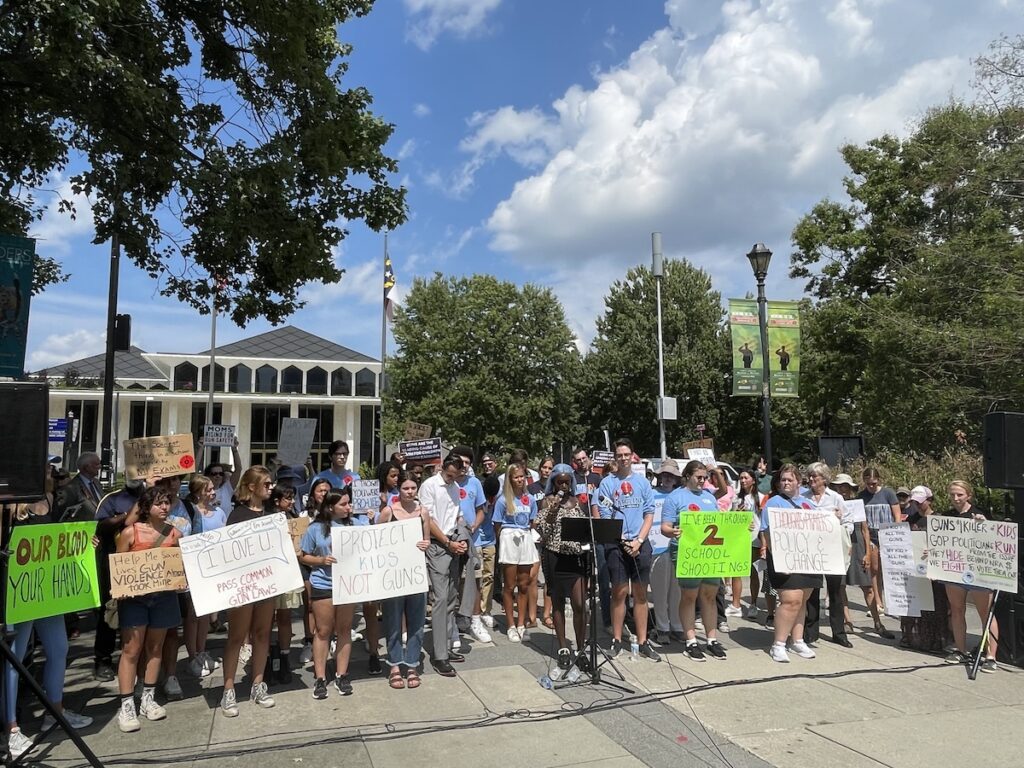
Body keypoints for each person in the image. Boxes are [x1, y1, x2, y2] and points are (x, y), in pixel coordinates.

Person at [5, 477, 93, 758]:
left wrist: (82, 539)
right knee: (14, 659)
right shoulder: (9, 506)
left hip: (48, 592)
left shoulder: (50, 499)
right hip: (20, 593)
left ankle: (54, 711)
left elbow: (59, 540)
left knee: (59, 649)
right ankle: (11, 729)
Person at [115, 486, 182, 732]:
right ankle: (126, 704)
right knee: (131, 649)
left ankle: (148, 698)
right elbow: (118, 567)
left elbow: (182, 564)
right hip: (135, 600)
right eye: (158, 503)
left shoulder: (175, 534)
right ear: (146, 507)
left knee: (156, 648)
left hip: (164, 597)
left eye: (167, 503)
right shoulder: (130, 533)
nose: (164, 508)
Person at [220, 466, 277, 717]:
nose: (271, 487)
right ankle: (229, 689)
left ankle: (257, 684)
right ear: (251, 487)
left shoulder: (273, 513)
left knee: (263, 634)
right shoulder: (237, 515)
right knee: (237, 636)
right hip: (243, 586)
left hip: (267, 583)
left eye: (271, 483)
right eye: (266, 484)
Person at [596, 439, 659, 661]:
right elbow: (604, 514)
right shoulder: (607, 483)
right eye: (619, 455)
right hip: (617, 544)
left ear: (632, 456)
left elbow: (649, 513)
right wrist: (622, 540)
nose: (623, 458)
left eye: (626, 454)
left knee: (640, 594)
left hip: (640, 544)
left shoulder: (642, 483)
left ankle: (643, 641)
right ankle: (616, 639)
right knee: (619, 593)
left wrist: (639, 540)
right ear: (615, 457)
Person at [662, 460, 726, 661]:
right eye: (699, 477)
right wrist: (673, 531)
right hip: (686, 552)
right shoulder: (675, 498)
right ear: (687, 476)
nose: (702, 481)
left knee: (709, 595)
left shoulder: (708, 497)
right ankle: (690, 640)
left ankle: (711, 639)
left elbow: (720, 525)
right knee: (689, 596)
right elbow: (665, 527)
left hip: (709, 554)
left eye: (705, 478)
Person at [299, 488, 359, 699]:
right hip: (323, 584)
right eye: (344, 504)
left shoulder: (356, 525)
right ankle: (321, 677)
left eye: (349, 503)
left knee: (344, 630)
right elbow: (304, 556)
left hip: (348, 584)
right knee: (323, 631)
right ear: (331, 506)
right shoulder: (316, 528)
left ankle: (342, 675)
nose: (348, 507)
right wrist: (321, 561)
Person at [377, 472, 431, 689]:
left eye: (413, 488)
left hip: (416, 574)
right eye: (406, 488)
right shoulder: (388, 512)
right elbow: (377, 541)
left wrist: (425, 543)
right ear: (398, 490)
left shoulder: (423, 512)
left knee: (417, 621)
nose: (410, 492)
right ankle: (394, 664)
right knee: (393, 620)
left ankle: (412, 664)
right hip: (394, 575)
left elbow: (427, 539)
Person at [761, 464, 820, 663]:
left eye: (790, 480)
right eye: (783, 480)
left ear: (799, 482)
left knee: (802, 600)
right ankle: (778, 644)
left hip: (807, 558)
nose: (786, 483)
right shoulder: (773, 503)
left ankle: (797, 640)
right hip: (784, 558)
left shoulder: (808, 504)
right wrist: (776, 558)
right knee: (790, 600)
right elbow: (767, 532)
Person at [420, 455, 471, 677]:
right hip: (438, 545)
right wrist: (448, 542)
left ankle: (448, 646)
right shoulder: (429, 486)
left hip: (453, 543)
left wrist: (461, 538)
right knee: (440, 600)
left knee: (451, 598)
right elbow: (427, 520)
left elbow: (457, 515)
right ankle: (439, 655)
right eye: (449, 475)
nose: (451, 479)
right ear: (442, 469)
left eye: (455, 475)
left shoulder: (456, 486)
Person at [535, 464, 589, 671]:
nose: (564, 485)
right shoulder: (547, 502)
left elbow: (585, 529)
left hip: (575, 558)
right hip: (554, 555)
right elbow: (543, 529)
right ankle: (563, 647)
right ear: (554, 482)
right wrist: (554, 508)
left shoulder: (578, 503)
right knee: (557, 601)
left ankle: (581, 647)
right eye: (560, 482)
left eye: (567, 481)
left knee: (579, 604)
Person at [943, 480, 999, 671]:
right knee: (957, 610)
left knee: (986, 613)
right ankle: (960, 649)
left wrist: (985, 526)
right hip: (954, 570)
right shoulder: (947, 516)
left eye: (959, 494)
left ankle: (991, 655)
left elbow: (995, 541)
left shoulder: (980, 513)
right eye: (952, 495)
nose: (956, 498)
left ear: (968, 495)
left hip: (978, 570)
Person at [92, 479, 145, 682]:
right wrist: (125, 517)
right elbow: (101, 526)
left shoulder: (154, 496)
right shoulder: (112, 499)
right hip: (115, 562)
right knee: (110, 609)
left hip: (142, 562)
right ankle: (103, 659)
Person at [802, 463, 852, 647]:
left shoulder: (836, 498)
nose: (811, 479)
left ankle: (839, 633)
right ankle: (811, 632)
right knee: (812, 590)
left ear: (824, 478)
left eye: (815, 476)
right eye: (810, 476)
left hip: (832, 550)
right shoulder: (803, 497)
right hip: (811, 550)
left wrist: (841, 528)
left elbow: (848, 522)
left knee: (836, 591)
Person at [182, 475, 226, 679]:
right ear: (198, 492)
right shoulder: (190, 512)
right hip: (195, 568)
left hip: (214, 567)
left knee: (206, 613)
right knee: (193, 615)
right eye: (208, 489)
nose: (212, 492)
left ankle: (202, 649)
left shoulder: (219, 512)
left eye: (212, 489)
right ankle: (193, 655)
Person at [899, 486, 952, 653]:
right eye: (914, 502)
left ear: (929, 500)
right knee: (915, 604)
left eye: (920, 502)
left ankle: (936, 640)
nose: (917, 505)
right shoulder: (910, 520)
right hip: (915, 568)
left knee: (936, 604)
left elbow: (947, 544)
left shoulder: (939, 520)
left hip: (933, 570)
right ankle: (913, 637)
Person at [449, 446, 491, 644]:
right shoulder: (448, 483)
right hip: (450, 541)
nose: (464, 466)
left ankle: (475, 620)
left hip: (473, 541)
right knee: (452, 583)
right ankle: (452, 625)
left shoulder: (475, 483)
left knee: (474, 582)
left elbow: (481, 509)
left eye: (467, 463)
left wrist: (474, 525)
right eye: (461, 462)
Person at [494, 463, 539, 642]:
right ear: (510, 479)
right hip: (509, 537)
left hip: (525, 537)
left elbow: (533, 521)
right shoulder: (503, 500)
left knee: (524, 583)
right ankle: (511, 624)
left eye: (522, 476)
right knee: (509, 585)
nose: (520, 480)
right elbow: (497, 524)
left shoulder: (531, 499)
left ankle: (521, 623)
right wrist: (506, 539)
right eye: (516, 477)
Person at [858, 467, 899, 637]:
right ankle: (878, 601)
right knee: (874, 570)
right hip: (872, 536)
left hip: (888, 533)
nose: (871, 487)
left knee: (890, 570)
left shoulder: (888, 493)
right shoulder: (862, 496)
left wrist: (896, 534)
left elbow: (896, 515)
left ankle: (893, 601)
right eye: (868, 484)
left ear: (879, 481)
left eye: (874, 483)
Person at [268, 484, 302, 684]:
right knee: (265, 620)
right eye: (287, 498)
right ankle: (266, 660)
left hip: (288, 573)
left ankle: (284, 656)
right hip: (270, 575)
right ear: (276, 500)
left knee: (285, 617)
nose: (292, 502)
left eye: (292, 498)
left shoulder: (294, 520)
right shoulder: (266, 519)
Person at [831, 474, 872, 635]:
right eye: (839, 486)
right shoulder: (832, 505)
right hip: (840, 547)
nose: (842, 489)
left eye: (845, 486)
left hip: (858, 546)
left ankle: (877, 621)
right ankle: (847, 621)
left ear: (850, 488)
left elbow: (865, 529)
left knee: (867, 587)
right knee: (841, 587)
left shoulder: (857, 505)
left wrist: (867, 553)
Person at [649, 459, 684, 643]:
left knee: (677, 591)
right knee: (660, 593)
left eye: (671, 475)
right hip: (657, 548)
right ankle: (662, 628)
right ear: (660, 476)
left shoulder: (682, 496)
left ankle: (677, 626)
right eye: (665, 475)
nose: (668, 478)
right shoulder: (651, 494)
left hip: (679, 549)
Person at [299, 478, 333, 666]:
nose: (324, 494)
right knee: (310, 605)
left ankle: (329, 638)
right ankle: (309, 640)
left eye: (327, 490)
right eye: (320, 490)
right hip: (308, 566)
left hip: (329, 569)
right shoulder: (304, 515)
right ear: (313, 494)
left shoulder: (336, 514)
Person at [526, 456, 555, 628]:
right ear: (539, 469)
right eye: (544, 467)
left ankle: (547, 615)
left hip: (550, 536)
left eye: (550, 468)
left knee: (550, 579)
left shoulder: (556, 489)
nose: (546, 470)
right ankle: (531, 616)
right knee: (532, 577)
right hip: (535, 535)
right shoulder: (531, 488)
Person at [733, 469, 764, 620]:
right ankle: (736, 604)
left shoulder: (761, 498)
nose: (743, 481)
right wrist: (737, 514)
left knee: (753, 573)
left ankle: (753, 603)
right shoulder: (736, 499)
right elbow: (730, 520)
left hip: (755, 540)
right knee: (736, 572)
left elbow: (764, 520)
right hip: (739, 540)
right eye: (741, 478)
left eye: (746, 478)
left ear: (753, 480)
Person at [55, 452, 103, 522]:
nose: (100, 467)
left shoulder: (96, 483)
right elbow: (63, 517)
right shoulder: (70, 489)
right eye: (97, 464)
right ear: (87, 467)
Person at [203, 437, 243, 513]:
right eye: (214, 474)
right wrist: (201, 448)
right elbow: (194, 472)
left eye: (221, 474)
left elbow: (238, 469)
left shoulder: (227, 489)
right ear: (207, 476)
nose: (218, 476)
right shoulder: (203, 491)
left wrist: (234, 450)